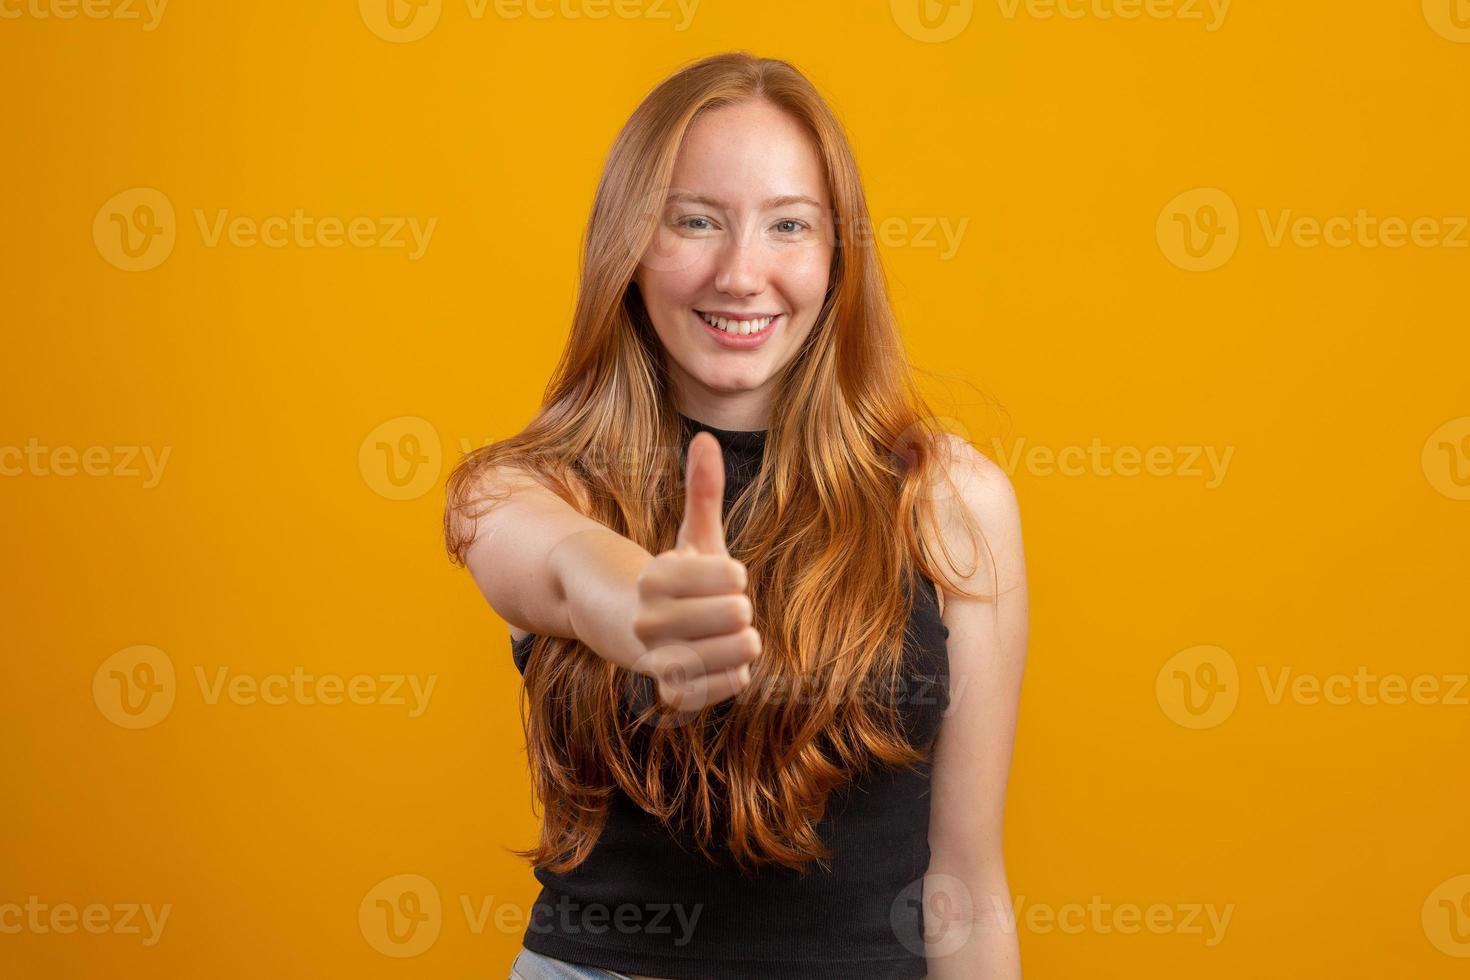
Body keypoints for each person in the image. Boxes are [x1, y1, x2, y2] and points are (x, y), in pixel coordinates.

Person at [444, 51, 1028, 980]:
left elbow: (963, 886)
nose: (741, 272)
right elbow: (562, 566)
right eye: (696, 222)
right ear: (628, 247)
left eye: (789, 226)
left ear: (839, 257)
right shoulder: (524, 490)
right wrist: (642, 604)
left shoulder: (953, 503)